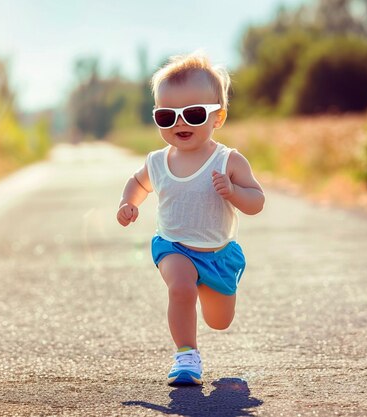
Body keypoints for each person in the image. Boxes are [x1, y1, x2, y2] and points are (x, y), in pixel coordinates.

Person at [116, 52, 265, 385]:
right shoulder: (157, 162)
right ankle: (186, 356)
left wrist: (234, 193)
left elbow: (256, 201)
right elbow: (138, 183)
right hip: (174, 246)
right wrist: (129, 203)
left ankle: (208, 288)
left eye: (194, 114)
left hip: (217, 254)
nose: (180, 123)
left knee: (219, 320)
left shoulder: (228, 161)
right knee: (181, 289)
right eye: (167, 116)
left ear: (218, 118)